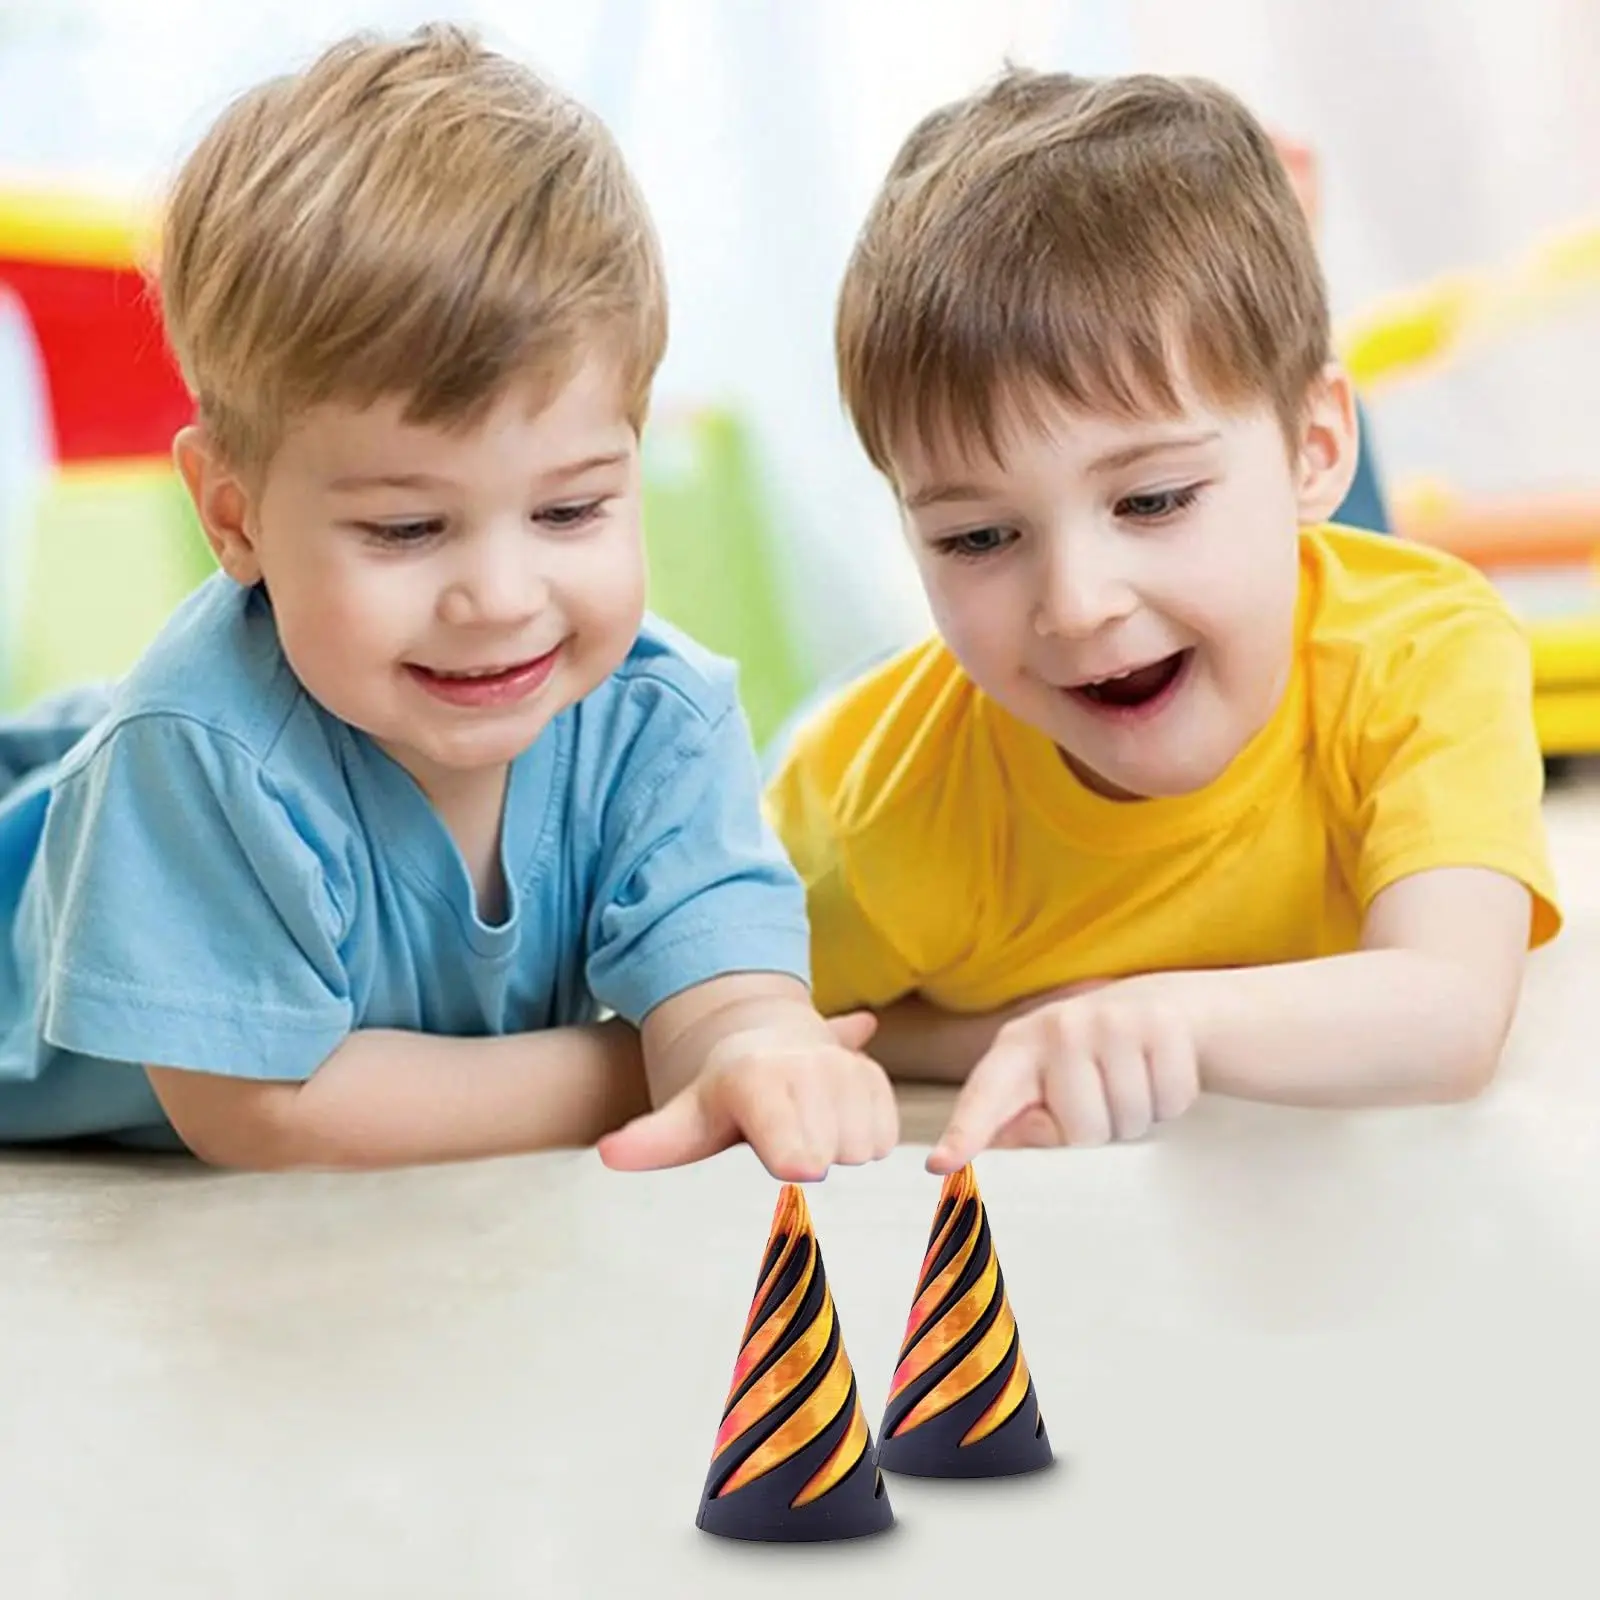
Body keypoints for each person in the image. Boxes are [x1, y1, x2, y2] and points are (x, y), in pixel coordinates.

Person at [0, 25, 896, 1180]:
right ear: (233, 517)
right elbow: (266, 1114)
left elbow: (725, 981)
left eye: (570, 512)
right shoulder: (204, 749)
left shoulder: (658, 721)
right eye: (407, 529)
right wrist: (631, 1063)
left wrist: (746, 1047)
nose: (498, 598)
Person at [763, 68, 1560, 1173]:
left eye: (1148, 501)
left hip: (1310, 565)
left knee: (1304, 539)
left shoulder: (1430, 651)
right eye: (975, 538)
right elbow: (754, 1023)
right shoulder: (872, 825)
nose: (1077, 605)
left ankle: (1278, 354)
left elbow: (1453, 1011)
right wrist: (1020, 1031)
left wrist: (1160, 1017)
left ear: (1317, 445)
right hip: (866, 714)